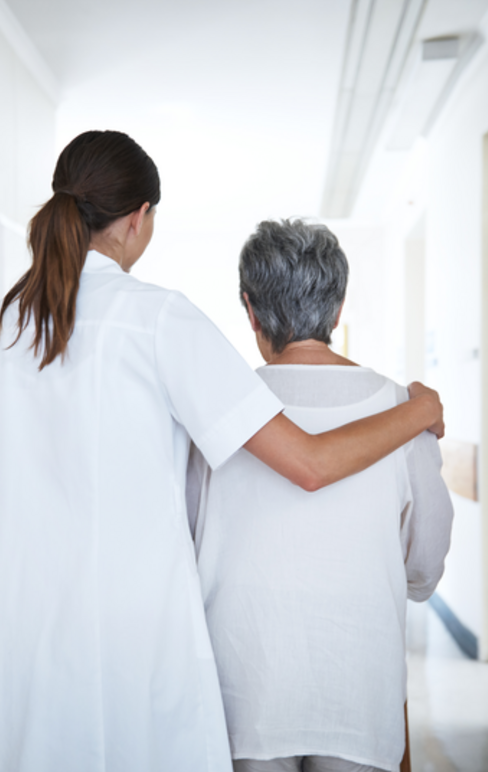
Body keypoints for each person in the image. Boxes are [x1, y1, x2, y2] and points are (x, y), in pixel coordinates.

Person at [0, 132, 444, 772]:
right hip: (142, 633)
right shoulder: (157, 318)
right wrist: (418, 410)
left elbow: (10, 478)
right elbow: (308, 464)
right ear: (139, 217)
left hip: (32, 633)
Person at [189, 218, 454, 772]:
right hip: (359, 686)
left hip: (244, 689)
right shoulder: (405, 413)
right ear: (338, 310)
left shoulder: (216, 413)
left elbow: (185, 544)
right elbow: (426, 563)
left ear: (251, 309)